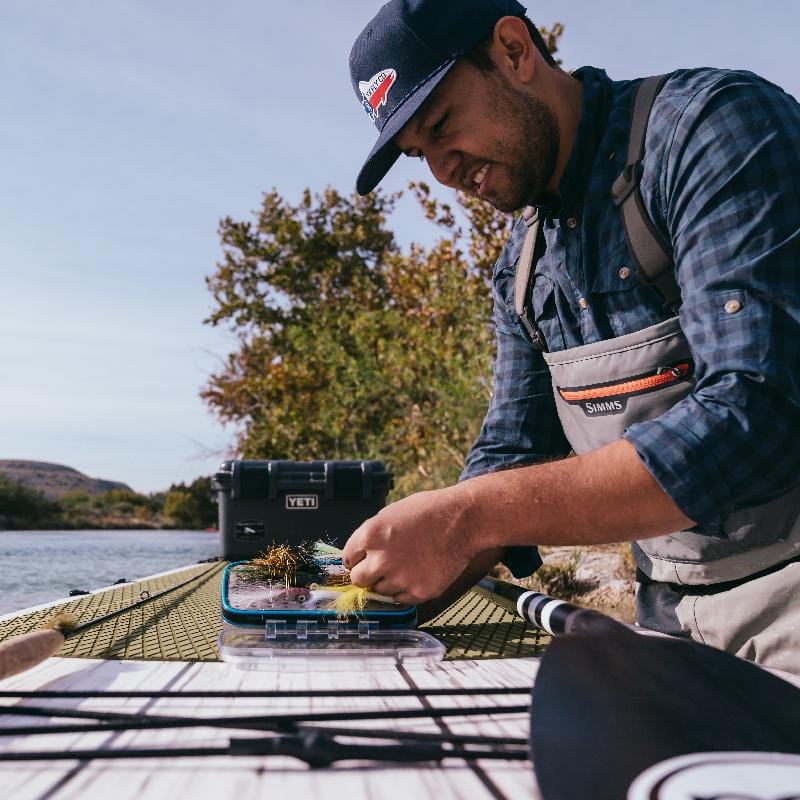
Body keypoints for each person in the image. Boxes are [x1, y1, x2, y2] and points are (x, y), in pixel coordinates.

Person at [343, 0, 800, 673]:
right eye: (420, 155)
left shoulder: (714, 128)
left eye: (442, 125)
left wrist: (467, 515)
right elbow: (511, 454)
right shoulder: (519, 270)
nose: (443, 170)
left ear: (513, 49)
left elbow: (756, 412)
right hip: (666, 623)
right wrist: (366, 590)